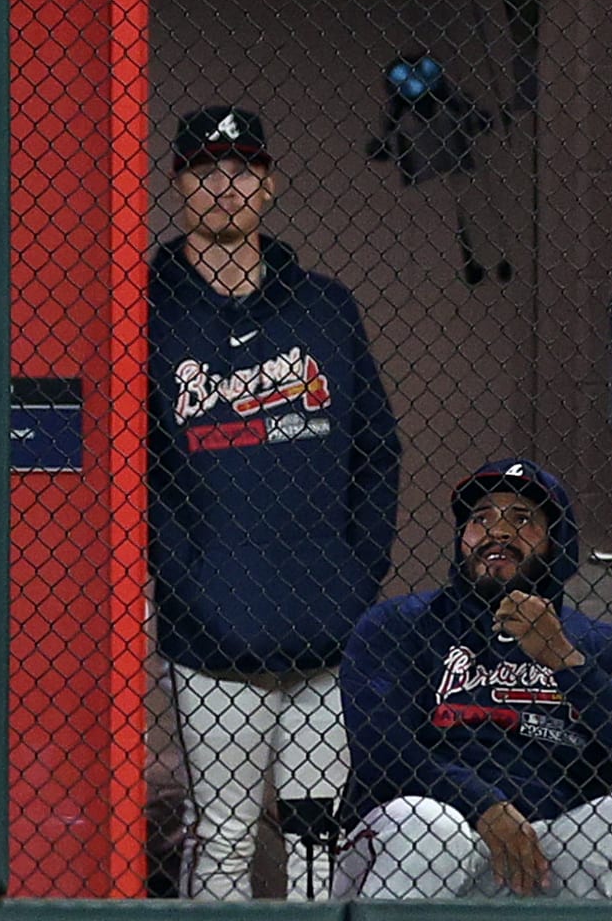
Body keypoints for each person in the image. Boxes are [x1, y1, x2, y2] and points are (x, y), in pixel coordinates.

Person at [146, 103, 401, 899]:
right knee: (220, 835)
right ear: (179, 184)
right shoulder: (147, 313)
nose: (226, 185)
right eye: (206, 169)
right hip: (213, 631)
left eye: (244, 169)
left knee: (319, 837)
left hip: (325, 627)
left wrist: (355, 578)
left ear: (271, 184)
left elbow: (377, 448)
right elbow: (141, 472)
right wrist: (189, 586)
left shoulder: (325, 308)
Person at [336, 460, 612, 899]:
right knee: (430, 827)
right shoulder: (399, 624)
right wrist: (482, 805)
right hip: (428, 835)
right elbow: (382, 755)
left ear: (554, 543)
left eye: (523, 519)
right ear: (460, 539)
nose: (499, 532)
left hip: (550, 845)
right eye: (481, 518)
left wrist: (567, 663)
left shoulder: (602, 645)